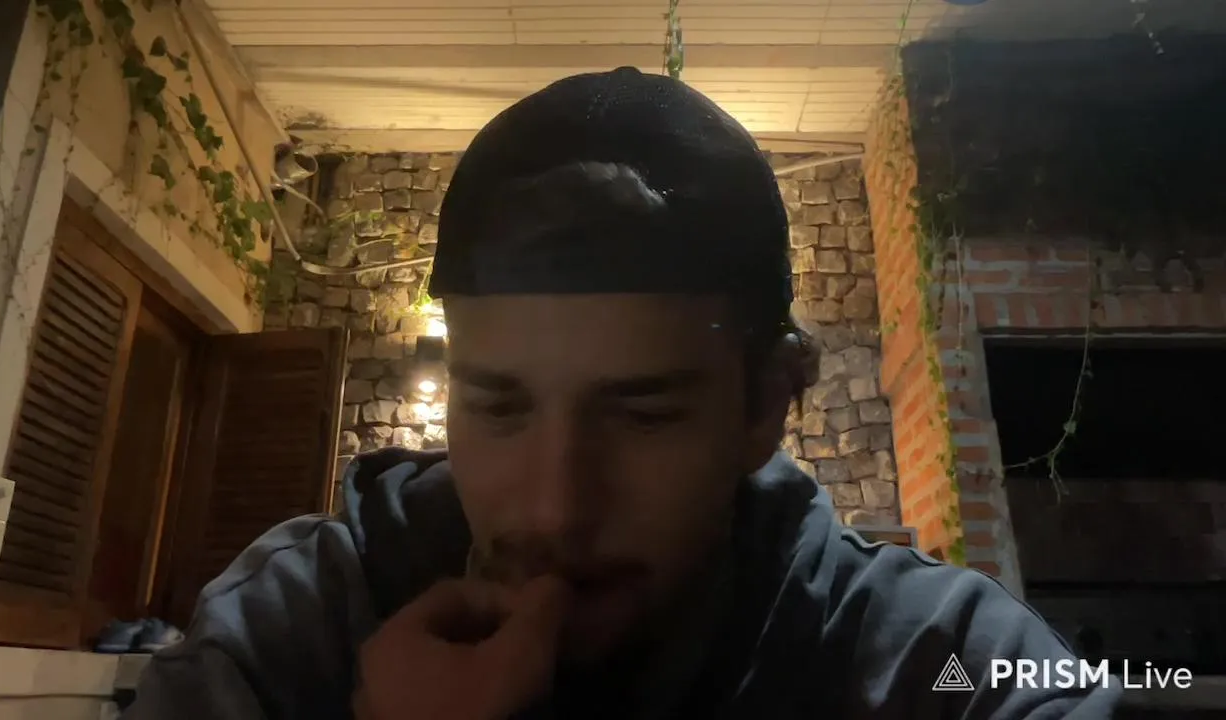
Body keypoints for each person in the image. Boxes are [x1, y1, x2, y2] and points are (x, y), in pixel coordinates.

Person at [123, 68, 1121, 720]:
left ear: (765, 406)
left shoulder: (939, 663)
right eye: (499, 405)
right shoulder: (291, 629)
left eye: (643, 415)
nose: (555, 508)